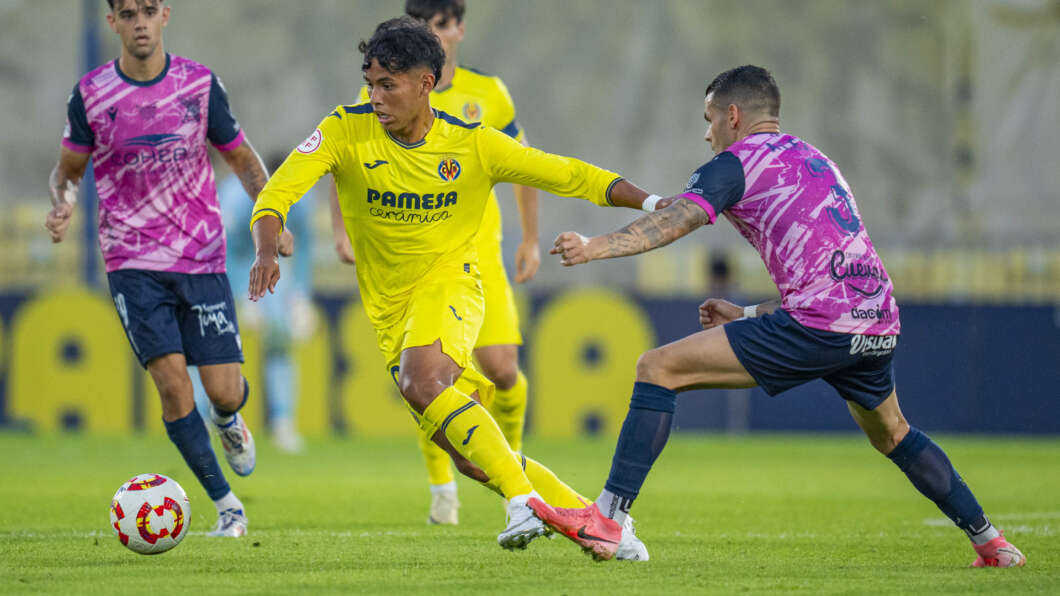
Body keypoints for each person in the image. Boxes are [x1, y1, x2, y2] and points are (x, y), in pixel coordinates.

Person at [534, 65, 1027, 568]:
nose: (707, 133)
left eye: (708, 119)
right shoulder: (817, 161)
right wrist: (746, 313)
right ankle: (993, 544)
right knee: (894, 433)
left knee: (656, 368)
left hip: (821, 325)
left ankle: (607, 519)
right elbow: (835, 273)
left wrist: (594, 246)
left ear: (732, 115)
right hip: (877, 320)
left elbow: (678, 219)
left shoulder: (734, 163)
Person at [248, 17, 652, 555]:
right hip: (390, 314)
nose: (375, 97)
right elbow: (275, 196)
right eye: (370, 84)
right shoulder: (344, 130)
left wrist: (653, 203)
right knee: (472, 458)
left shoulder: (473, 144)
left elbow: (569, 174)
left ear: (425, 84)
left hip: (452, 286)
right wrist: (266, 249)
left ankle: (522, 503)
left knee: (422, 382)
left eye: (387, 85)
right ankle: (604, 528)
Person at [45, 0, 290, 538]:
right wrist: (62, 203)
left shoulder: (199, 86)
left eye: (149, 10)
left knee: (224, 390)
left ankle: (228, 419)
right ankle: (227, 506)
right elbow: (67, 170)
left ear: (165, 15)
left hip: (200, 257)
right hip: (131, 262)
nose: (140, 22)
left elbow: (242, 158)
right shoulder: (91, 95)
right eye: (128, 12)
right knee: (175, 388)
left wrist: (274, 218)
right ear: (112, 21)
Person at [330, 0, 539, 526]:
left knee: (504, 372)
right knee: (427, 377)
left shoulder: (488, 94)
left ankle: (510, 467)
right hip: (412, 259)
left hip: (478, 252)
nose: (434, 33)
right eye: (424, 25)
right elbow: (340, 162)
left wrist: (531, 239)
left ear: (459, 30)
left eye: (442, 24)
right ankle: (443, 489)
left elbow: (525, 164)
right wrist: (341, 231)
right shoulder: (377, 96)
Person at [191, 152, 315, 453]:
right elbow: (226, 249)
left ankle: (283, 423)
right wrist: (243, 297)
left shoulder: (301, 199)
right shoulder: (238, 199)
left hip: (266, 262)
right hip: (217, 265)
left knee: (280, 337)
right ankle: (199, 419)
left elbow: (304, 247)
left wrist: (300, 295)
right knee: (213, 340)